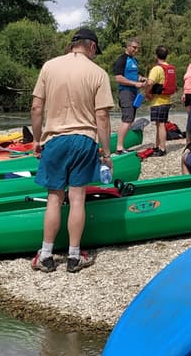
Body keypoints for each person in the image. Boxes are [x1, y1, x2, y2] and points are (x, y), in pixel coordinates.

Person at [30, 27, 114, 273]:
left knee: (54, 198)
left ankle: (45, 255)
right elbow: (102, 117)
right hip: (84, 139)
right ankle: (74, 256)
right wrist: (106, 154)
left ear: (72, 44)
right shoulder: (98, 73)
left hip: (55, 138)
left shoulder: (49, 67)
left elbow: (36, 108)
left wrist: (37, 139)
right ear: (91, 47)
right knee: (77, 198)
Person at [110, 37, 147, 154]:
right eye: (134, 48)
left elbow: (134, 75)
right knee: (127, 119)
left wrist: (142, 79)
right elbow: (118, 78)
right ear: (128, 47)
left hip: (134, 93)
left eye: (138, 48)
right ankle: (119, 148)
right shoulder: (121, 60)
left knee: (130, 119)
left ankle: (121, 145)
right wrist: (135, 83)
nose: (136, 50)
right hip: (125, 92)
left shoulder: (134, 61)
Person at [145, 45, 176, 156]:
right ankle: (157, 146)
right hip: (167, 100)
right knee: (159, 124)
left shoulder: (157, 69)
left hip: (158, 101)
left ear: (156, 55)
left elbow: (149, 83)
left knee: (161, 124)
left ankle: (162, 148)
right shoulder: (169, 67)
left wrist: (147, 93)